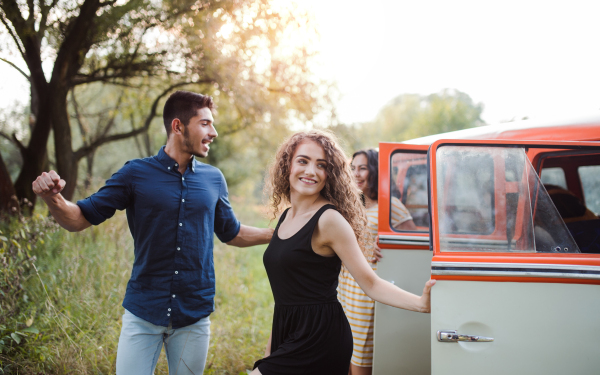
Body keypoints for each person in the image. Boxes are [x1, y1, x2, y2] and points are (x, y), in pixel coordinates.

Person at [31, 91, 273, 375]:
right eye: (205, 123)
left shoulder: (214, 179)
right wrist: (53, 198)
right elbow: (79, 219)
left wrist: (278, 234)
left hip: (193, 316)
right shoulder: (135, 174)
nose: (214, 132)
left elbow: (232, 233)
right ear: (178, 126)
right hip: (143, 313)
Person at [251, 131, 435, 375]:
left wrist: (421, 304)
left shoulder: (329, 220)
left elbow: (371, 283)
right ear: (287, 165)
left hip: (320, 338)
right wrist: (271, 347)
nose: (311, 171)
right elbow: (288, 296)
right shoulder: (286, 217)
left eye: (322, 165)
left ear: (330, 174)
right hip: (288, 330)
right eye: (303, 161)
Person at [338, 149, 417, 375]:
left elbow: (414, 246)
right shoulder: (352, 204)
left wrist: (390, 249)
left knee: (362, 354)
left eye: (363, 168)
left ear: (376, 171)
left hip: (366, 290)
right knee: (345, 349)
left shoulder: (390, 205)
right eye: (353, 168)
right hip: (344, 288)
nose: (356, 173)